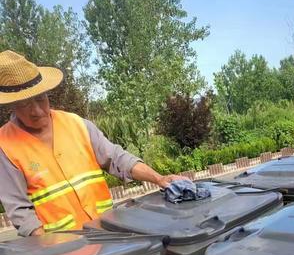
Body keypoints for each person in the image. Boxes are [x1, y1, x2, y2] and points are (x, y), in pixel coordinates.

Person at [0, 50, 183, 236]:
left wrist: (159, 178)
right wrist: (48, 249)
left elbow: (117, 159)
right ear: (12, 105)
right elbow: (20, 212)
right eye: (25, 104)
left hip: (109, 236)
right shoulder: (5, 146)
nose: (37, 110)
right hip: (64, 250)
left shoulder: (77, 124)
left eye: (41, 99)